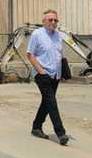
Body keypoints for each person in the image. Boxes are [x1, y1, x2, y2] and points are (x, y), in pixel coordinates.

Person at [27, 9, 70, 146]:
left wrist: (63, 72)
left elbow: (59, 54)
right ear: (44, 21)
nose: (53, 22)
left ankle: (36, 127)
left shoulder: (58, 35)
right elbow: (30, 54)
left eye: (55, 20)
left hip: (55, 74)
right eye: (50, 20)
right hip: (42, 74)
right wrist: (41, 71)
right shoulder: (37, 35)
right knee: (52, 102)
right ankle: (61, 133)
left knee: (47, 102)